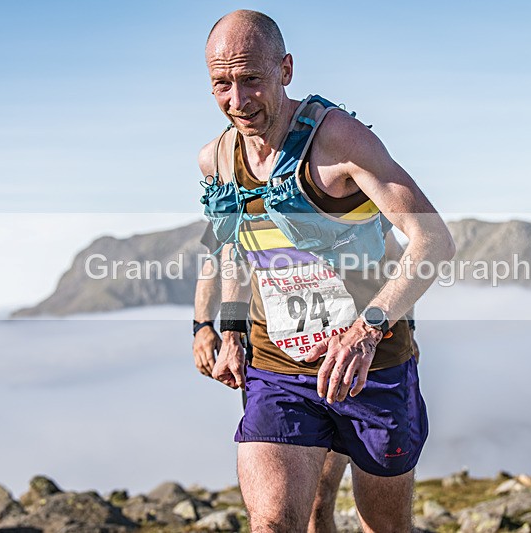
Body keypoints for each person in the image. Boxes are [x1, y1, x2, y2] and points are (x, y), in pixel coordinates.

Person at [199, 10, 455, 531]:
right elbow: (231, 246)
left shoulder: (338, 140)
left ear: (285, 70)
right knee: (278, 522)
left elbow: (434, 241)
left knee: (380, 526)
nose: (237, 101)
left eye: (251, 79)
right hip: (277, 363)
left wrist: (366, 332)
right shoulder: (217, 159)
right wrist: (222, 328)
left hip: (370, 361)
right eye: (221, 84)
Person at [192, 224, 421, 533]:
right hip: (276, 363)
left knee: (325, 498)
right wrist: (204, 325)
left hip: (353, 366)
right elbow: (220, 253)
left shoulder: (351, 185)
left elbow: (397, 252)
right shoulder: (234, 182)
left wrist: (404, 327)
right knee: (300, 507)